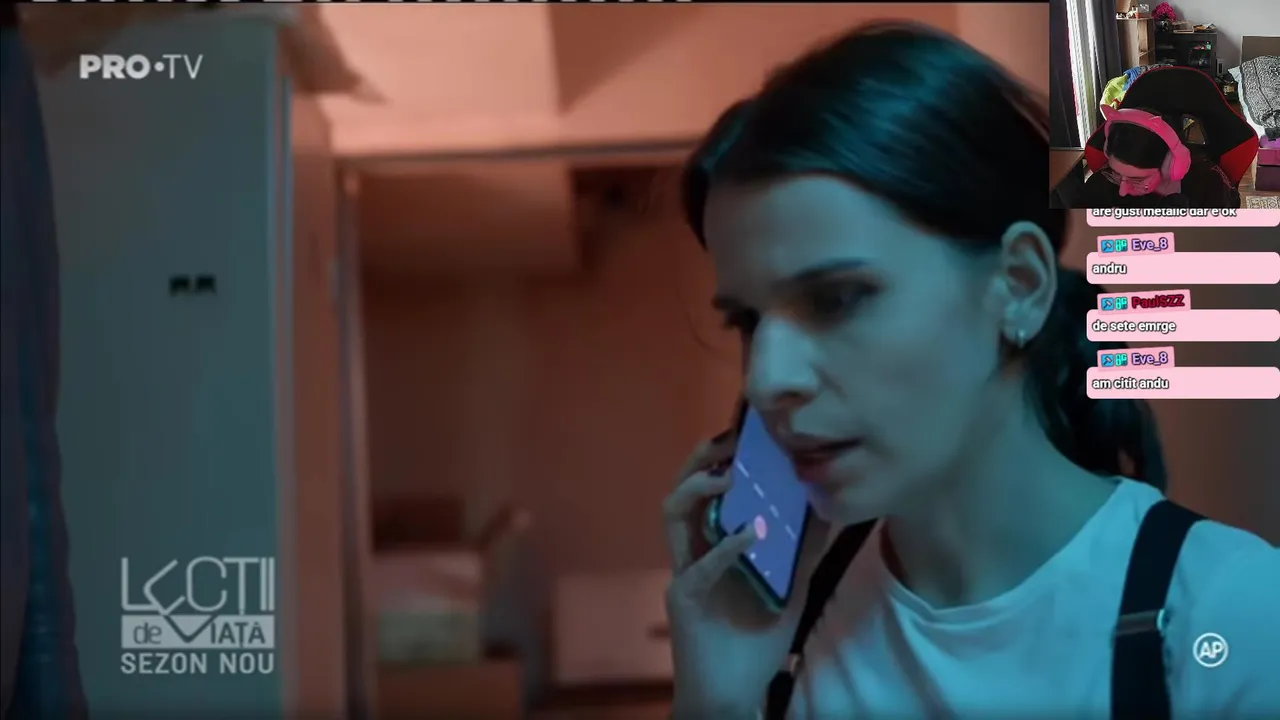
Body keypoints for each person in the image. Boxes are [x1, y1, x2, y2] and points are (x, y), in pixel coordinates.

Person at [662, 21, 1279, 720]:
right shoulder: (789, 626)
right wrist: (719, 698)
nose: (767, 380)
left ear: (1018, 284)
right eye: (747, 321)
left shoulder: (1234, 617)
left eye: (837, 299)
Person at [1076, 105, 1239, 208]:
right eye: (1116, 174)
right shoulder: (1102, 183)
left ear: (1171, 165)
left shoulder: (1209, 183)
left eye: (1137, 180)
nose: (1122, 191)